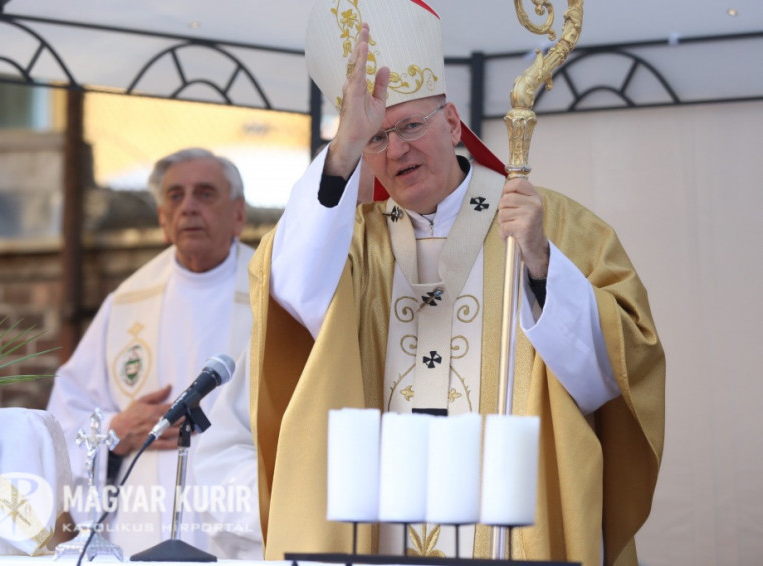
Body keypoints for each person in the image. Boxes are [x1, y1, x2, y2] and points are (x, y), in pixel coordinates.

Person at [248, 2, 665, 566]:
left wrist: (542, 263)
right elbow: (290, 290)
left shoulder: (554, 224)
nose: (397, 150)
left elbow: (612, 377)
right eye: (376, 138)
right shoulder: (349, 243)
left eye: (411, 126)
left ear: (450, 123)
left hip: (509, 525)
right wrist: (344, 146)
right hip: (380, 521)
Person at [46, 148, 262, 559]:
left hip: (240, 509)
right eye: (175, 196)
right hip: (142, 515)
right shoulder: (127, 301)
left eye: (205, 193)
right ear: (163, 220)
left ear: (238, 214)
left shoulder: (271, 293)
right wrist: (116, 428)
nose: (188, 207)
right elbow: (65, 416)